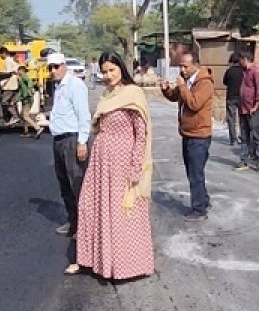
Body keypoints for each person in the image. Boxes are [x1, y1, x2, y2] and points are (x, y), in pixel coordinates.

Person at [66, 51, 154, 277]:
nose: (107, 76)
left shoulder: (132, 94)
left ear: (120, 69)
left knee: (120, 212)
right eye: (104, 72)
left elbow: (141, 134)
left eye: (111, 70)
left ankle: (124, 266)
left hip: (123, 162)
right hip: (101, 162)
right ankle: (89, 259)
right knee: (90, 205)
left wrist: (136, 166)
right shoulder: (107, 94)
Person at [161, 52, 214, 222]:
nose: (182, 70)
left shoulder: (204, 82)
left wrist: (182, 87)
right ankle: (203, 199)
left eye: (186, 66)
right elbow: (176, 96)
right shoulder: (187, 81)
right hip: (188, 132)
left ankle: (199, 209)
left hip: (199, 135)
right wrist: (166, 90)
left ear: (195, 65)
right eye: (180, 66)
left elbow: (194, 103)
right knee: (192, 170)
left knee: (195, 173)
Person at [48, 52, 91, 246]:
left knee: (78, 184)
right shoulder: (58, 87)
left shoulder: (75, 86)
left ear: (64, 65)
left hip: (73, 140)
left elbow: (83, 114)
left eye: (56, 67)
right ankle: (73, 221)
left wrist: (82, 141)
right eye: (50, 68)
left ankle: (84, 226)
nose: (53, 71)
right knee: (64, 183)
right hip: (59, 140)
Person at [234, 51, 259, 172]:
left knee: (256, 136)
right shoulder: (244, 72)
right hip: (243, 108)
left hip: (253, 109)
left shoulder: (256, 71)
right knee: (244, 136)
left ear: (245, 59)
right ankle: (243, 160)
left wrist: (256, 105)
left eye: (241, 60)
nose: (240, 62)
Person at [16, 66, 43, 139]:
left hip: (27, 99)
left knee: (25, 116)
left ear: (21, 71)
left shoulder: (24, 76)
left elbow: (29, 82)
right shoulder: (21, 78)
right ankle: (26, 132)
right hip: (25, 98)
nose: (17, 72)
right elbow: (21, 90)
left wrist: (29, 91)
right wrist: (17, 99)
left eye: (18, 71)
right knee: (22, 115)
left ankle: (37, 128)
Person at [0, 47, 22, 126]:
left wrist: (1, 82)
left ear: (3, 53)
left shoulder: (7, 60)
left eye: (0, 55)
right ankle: (15, 117)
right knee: (11, 102)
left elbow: (8, 74)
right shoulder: (13, 61)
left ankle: (15, 116)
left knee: (3, 102)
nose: (0, 57)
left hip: (9, 85)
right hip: (15, 85)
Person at [222, 53, 243, 146]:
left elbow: (225, 82)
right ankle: (243, 137)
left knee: (231, 118)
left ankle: (233, 139)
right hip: (242, 98)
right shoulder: (243, 71)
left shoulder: (229, 71)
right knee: (242, 118)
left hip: (231, 97)